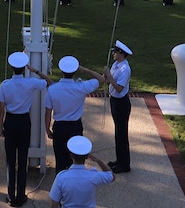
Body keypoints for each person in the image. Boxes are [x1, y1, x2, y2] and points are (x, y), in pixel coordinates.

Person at [0, 51, 53, 207]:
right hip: (23, 122)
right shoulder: (30, 82)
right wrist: (35, 70)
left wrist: (0, 128)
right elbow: (49, 82)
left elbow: (1, 110)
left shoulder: (5, 85)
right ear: (24, 68)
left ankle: (10, 195)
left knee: (10, 160)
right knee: (22, 160)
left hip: (11, 121)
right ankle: (20, 195)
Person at [45, 55, 103, 173]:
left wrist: (47, 129)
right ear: (75, 71)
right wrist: (85, 69)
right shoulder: (81, 86)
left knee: (60, 161)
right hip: (75, 127)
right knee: (75, 162)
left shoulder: (53, 89)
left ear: (61, 71)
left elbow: (48, 112)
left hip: (59, 127)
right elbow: (101, 80)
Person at [47, 135, 115, 208]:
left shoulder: (61, 177)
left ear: (71, 156)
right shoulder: (93, 176)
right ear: (86, 157)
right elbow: (111, 176)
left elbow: (53, 204)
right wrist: (98, 161)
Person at [105, 42, 133, 173]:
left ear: (121, 54)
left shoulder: (125, 69)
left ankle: (124, 165)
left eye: (115, 52)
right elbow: (109, 79)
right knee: (118, 134)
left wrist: (109, 77)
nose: (113, 54)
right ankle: (119, 160)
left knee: (122, 134)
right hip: (114, 101)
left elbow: (119, 87)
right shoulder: (116, 65)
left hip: (121, 103)